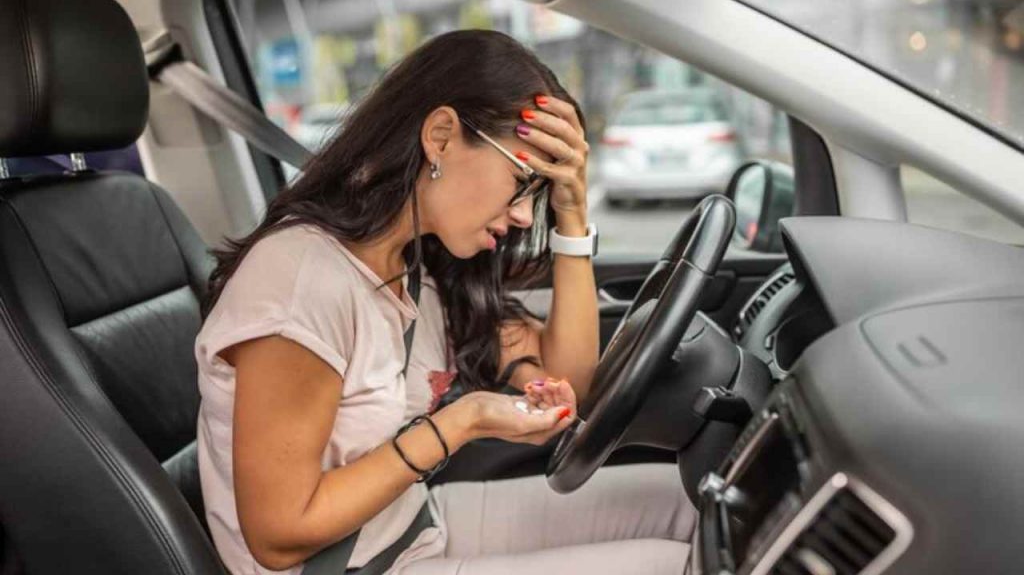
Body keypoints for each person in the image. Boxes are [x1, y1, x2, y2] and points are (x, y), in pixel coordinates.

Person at [194, 29, 695, 575]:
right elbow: (280, 535)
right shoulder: (301, 283)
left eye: (539, 195)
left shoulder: (420, 265)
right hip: (346, 565)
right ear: (440, 136)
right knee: (676, 565)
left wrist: (572, 212)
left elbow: (568, 378)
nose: (527, 216)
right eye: (521, 181)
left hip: (411, 526)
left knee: (688, 504)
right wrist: (465, 421)